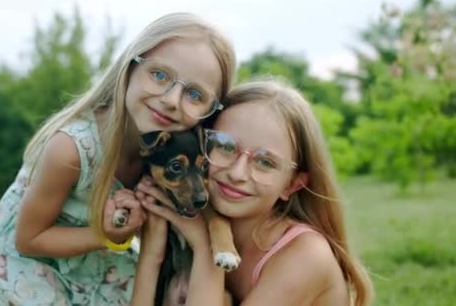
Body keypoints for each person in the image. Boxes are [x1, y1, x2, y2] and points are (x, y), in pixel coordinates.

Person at [0, 12, 236, 305]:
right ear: (130, 68)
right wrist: (108, 236)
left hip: (100, 261)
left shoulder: (171, 151)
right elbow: (28, 239)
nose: (170, 100)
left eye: (194, 94)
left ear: (211, 111)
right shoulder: (70, 149)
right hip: (34, 266)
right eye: (159, 75)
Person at [133, 79, 374, 306]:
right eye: (226, 146)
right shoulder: (193, 220)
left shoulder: (305, 256)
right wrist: (152, 254)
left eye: (265, 162)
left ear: (292, 185)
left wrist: (205, 245)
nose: (237, 173)